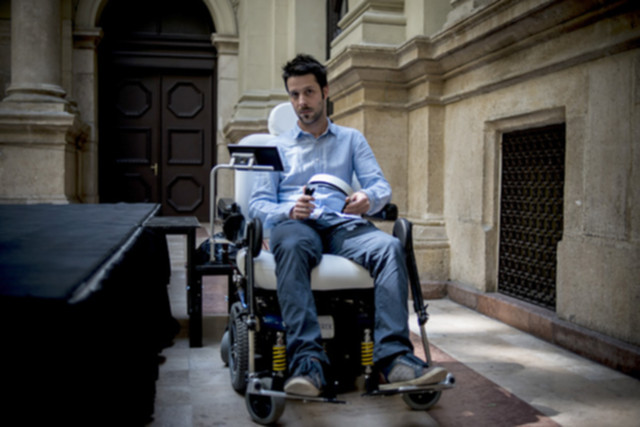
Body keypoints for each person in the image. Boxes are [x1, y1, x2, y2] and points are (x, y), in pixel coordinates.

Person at [248, 54, 448, 397]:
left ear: (325, 92)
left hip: (343, 224)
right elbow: (258, 204)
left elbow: (380, 186)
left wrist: (368, 198)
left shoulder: (351, 139)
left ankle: (394, 358)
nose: (301, 102)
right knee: (292, 246)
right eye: (294, 94)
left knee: (390, 248)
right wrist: (289, 210)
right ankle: (308, 363)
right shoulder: (276, 147)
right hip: (297, 225)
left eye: (309, 92)